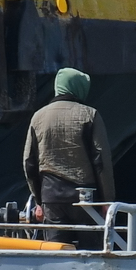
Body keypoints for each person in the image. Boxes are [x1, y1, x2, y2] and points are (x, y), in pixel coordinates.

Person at [23, 68, 115, 238]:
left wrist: (39, 201)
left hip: (51, 197)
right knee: (90, 257)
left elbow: (29, 163)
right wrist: (107, 201)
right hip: (85, 199)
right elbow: (101, 161)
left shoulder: (38, 117)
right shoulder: (90, 115)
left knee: (57, 254)